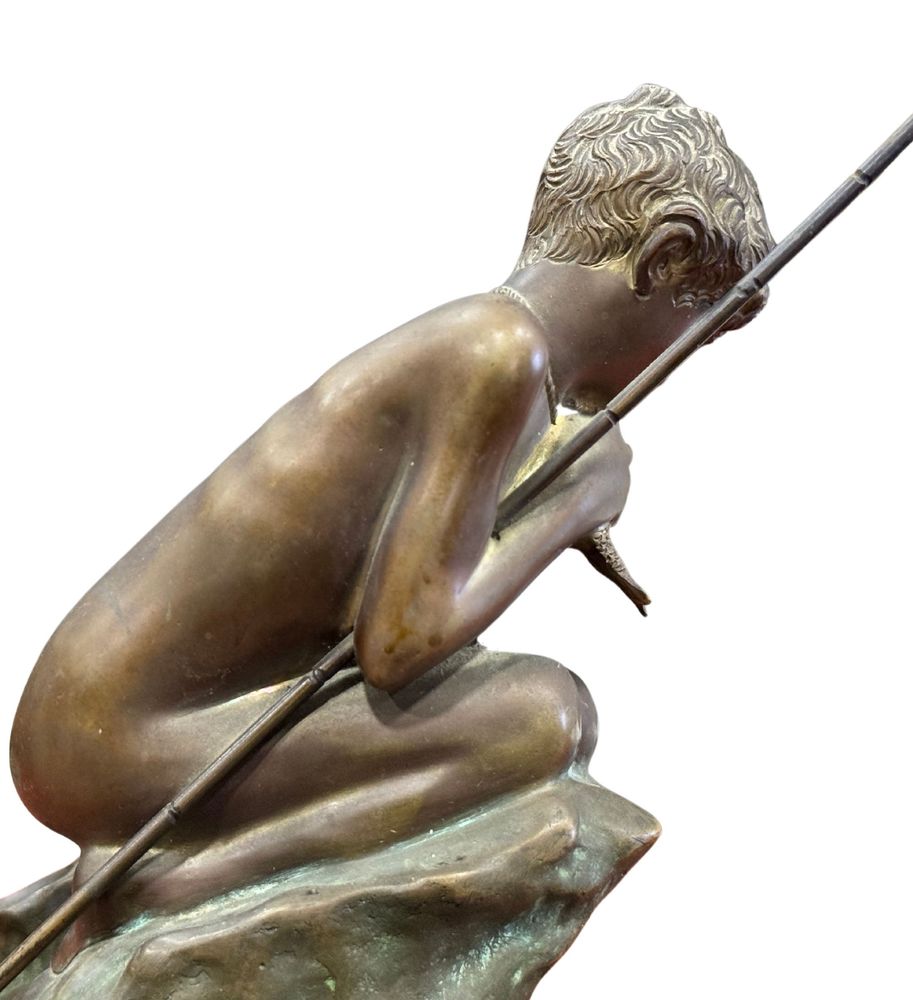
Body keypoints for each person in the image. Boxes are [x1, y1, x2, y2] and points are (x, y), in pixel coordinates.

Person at [8, 83, 773, 966]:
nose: (678, 359)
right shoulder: (497, 353)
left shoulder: (485, 343)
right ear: (663, 257)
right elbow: (403, 641)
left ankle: (172, 878)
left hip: (105, 723)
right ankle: (166, 887)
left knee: (526, 714)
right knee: (546, 714)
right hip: (110, 744)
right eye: (696, 328)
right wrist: (576, 502)